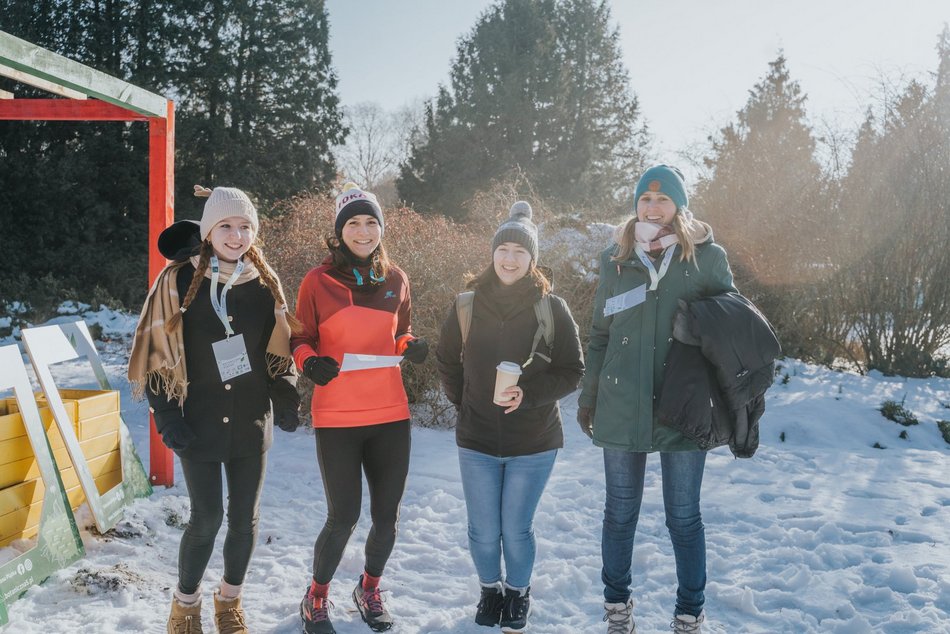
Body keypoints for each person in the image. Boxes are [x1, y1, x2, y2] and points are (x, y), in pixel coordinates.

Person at [129, 185, 301, 634]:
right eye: (225, 225)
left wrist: (285, 395)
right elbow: (156, 355)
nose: (236, 234)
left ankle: (230, 603)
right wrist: (166, 416)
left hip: (249, 421)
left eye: (245, 226)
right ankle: (184, 608)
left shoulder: (264, 283)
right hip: (196, 422)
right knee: (207, 517)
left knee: (245, 519)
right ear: (208, 231)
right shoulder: (178, 281)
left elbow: (277, 352)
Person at [576, 166, 737, 634]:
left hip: (682, 406)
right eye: (645, 199)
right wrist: (590, 398)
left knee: (684, 517)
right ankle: (617, 608)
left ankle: (690, 612)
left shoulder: (706, 258)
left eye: (662, 199)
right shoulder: (616, 258)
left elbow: (731, 329)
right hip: (622, 404)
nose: (652, 207)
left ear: (678, 205)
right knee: (619, 514)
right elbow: (600, 333)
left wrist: (725, 397)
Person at [436, 202, 585, 633]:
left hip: (533, 441)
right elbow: (447, 359)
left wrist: (530, 395)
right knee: (483, 530)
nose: (510, 258)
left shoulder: (551, 308)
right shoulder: (466, 305)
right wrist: (465, 403)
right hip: (477, 439)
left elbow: (572, 370)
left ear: (532, 259)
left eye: (521, 252)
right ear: (493, 252)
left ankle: (518, 593)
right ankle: (490, 589)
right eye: (504, 249)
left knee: (515, 529)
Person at [292, 183, 428, 634]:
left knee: (387, 517)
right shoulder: (317, 281)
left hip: (390, 414)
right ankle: (316, 596)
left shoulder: (397, 279)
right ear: (339, 230)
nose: (363, 230)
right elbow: (300, 337)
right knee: (344, 516)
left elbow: (400, 332)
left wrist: (412, 346)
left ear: (381, 229)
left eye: (371, 222)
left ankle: (369, 588)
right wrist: (309, 363)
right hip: (337, 418)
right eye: (354, 222)